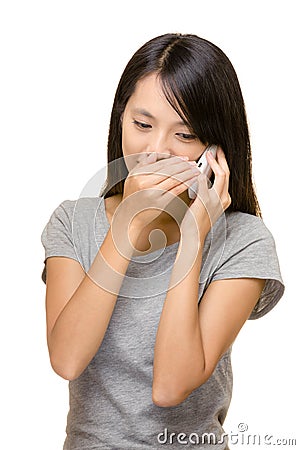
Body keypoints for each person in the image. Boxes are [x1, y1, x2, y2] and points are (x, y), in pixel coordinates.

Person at [41, 33, 284, 450]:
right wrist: (130, 229)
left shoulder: (243, 240)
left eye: (184, 135)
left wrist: (194, 233)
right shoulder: (73, 222)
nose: (156, 150)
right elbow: (67, 359)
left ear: (215, 150)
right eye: (142, 125)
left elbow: (170, 386)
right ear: (120, 119)